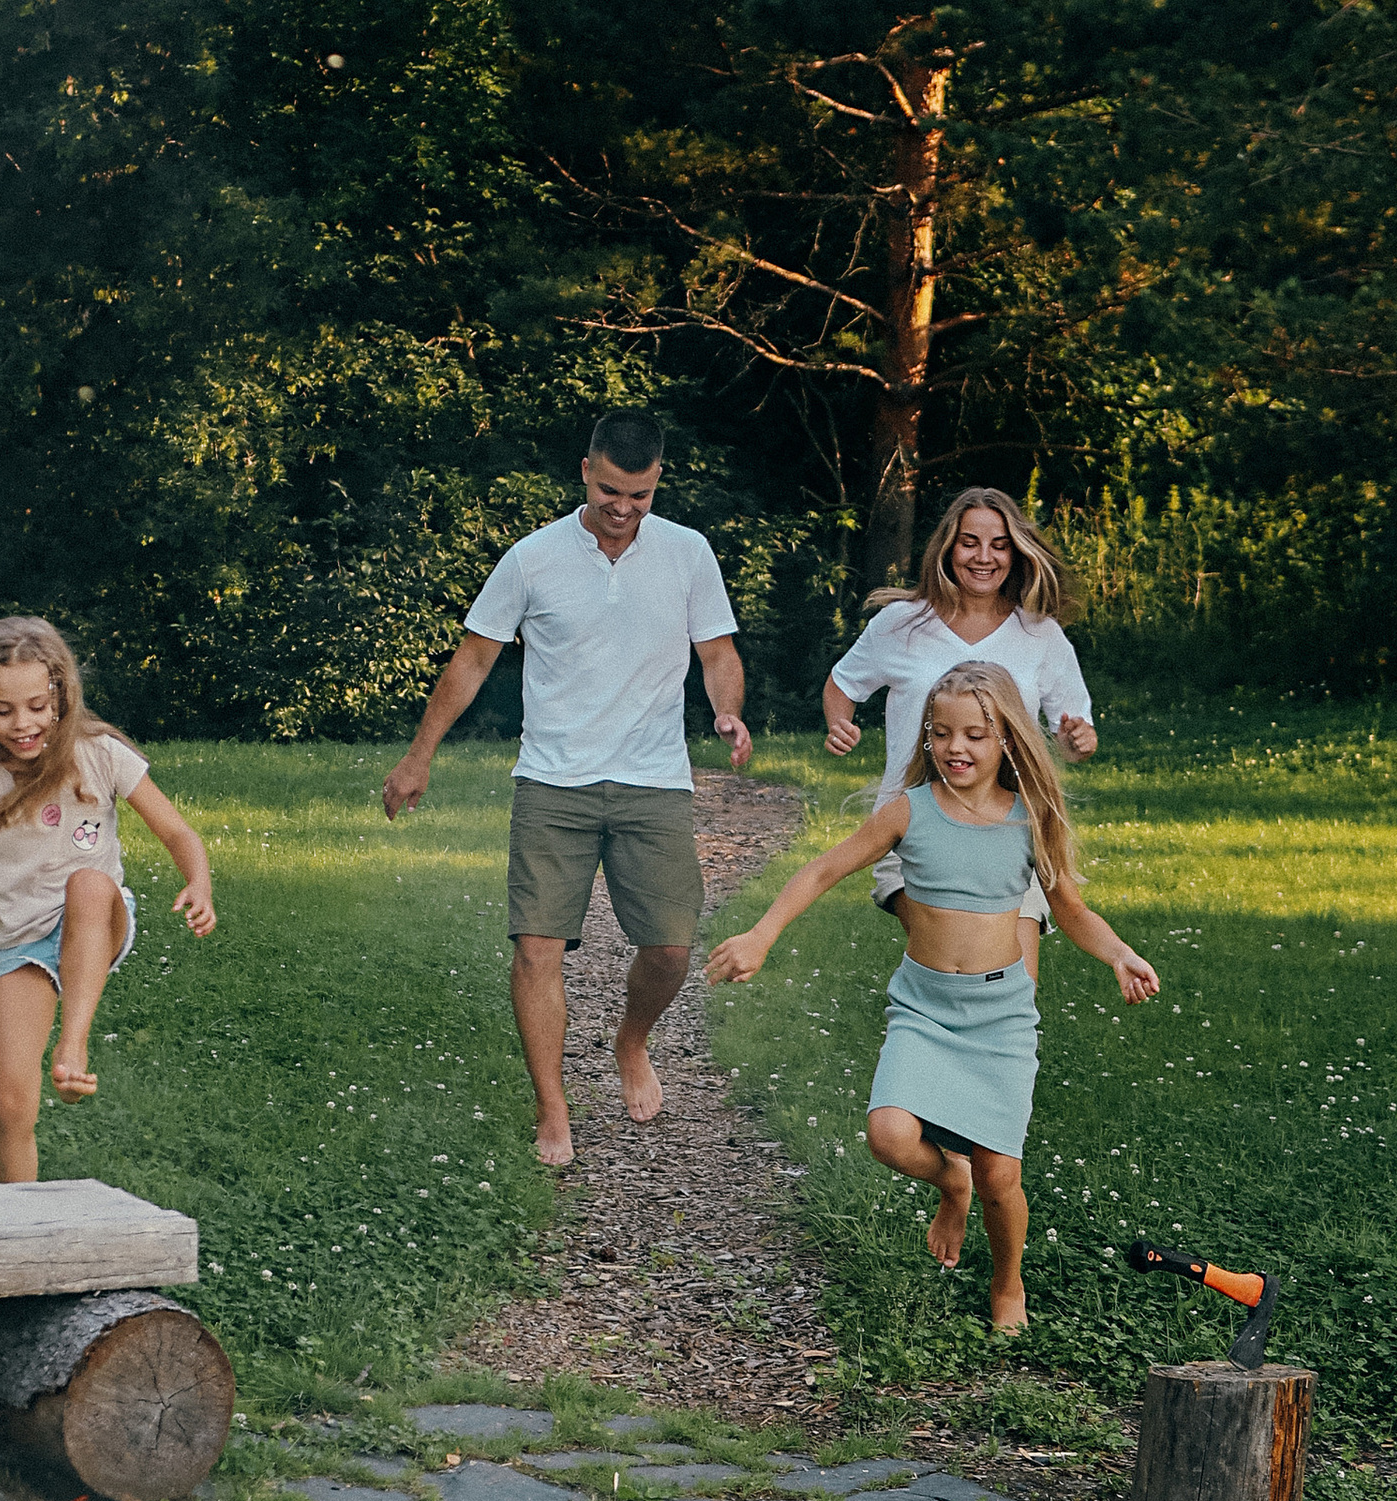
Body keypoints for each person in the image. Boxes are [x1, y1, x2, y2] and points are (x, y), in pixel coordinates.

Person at [707, 660, 1157, 1333]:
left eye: (975, 735)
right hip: (924, 1009)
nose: (955, 748)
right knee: (888, 1135)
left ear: (1008, 737)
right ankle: (951, 1181)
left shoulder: (1031, 818)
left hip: (1000, 1016)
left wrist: (1119, 952)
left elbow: (1070, 911)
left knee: (1003, 1175)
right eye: (941, 734)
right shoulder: (908, 812)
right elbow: (825, 868)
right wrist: (763, 933)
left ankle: (1009, 1286)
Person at [381, 411, 750, 1169]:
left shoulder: (688, 553)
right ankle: (553, 1109)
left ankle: (631, 1039)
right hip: (553, 781)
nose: (624, 508)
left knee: (671, 950)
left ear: (657, 484)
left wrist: (727, 710)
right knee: (536, 950)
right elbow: (474, 658)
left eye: (640, 496)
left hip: (653, 780)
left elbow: (716, 651)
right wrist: (419, 757)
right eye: (612, 490)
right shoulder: (533, 558)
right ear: (586, 471)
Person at [0, 615, 215, 1184]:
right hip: (22, 943)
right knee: (11, 1105)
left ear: (61, 693)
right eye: (3, 711)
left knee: (87, 883)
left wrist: (198, 878)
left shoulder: (101, 754)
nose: (23, 724)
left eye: (38, 705)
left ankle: (74, 1047)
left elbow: (178, 832)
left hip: (97, 919)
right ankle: (23, 1237)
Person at [822, 486, 1096, 973]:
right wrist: (839, 722)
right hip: (914, 826)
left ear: (1016, 552)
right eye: (970, 542)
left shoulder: (1041, 635)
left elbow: (1073, 732)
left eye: (999, 544)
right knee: (957, 963)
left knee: (1015, 982)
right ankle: (928, 1038)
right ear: (948, 547)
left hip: (1010, 827)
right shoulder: (901, 624)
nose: (984, 557)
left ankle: (1005, 1048)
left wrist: (1078, 741)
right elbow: (842, 684)